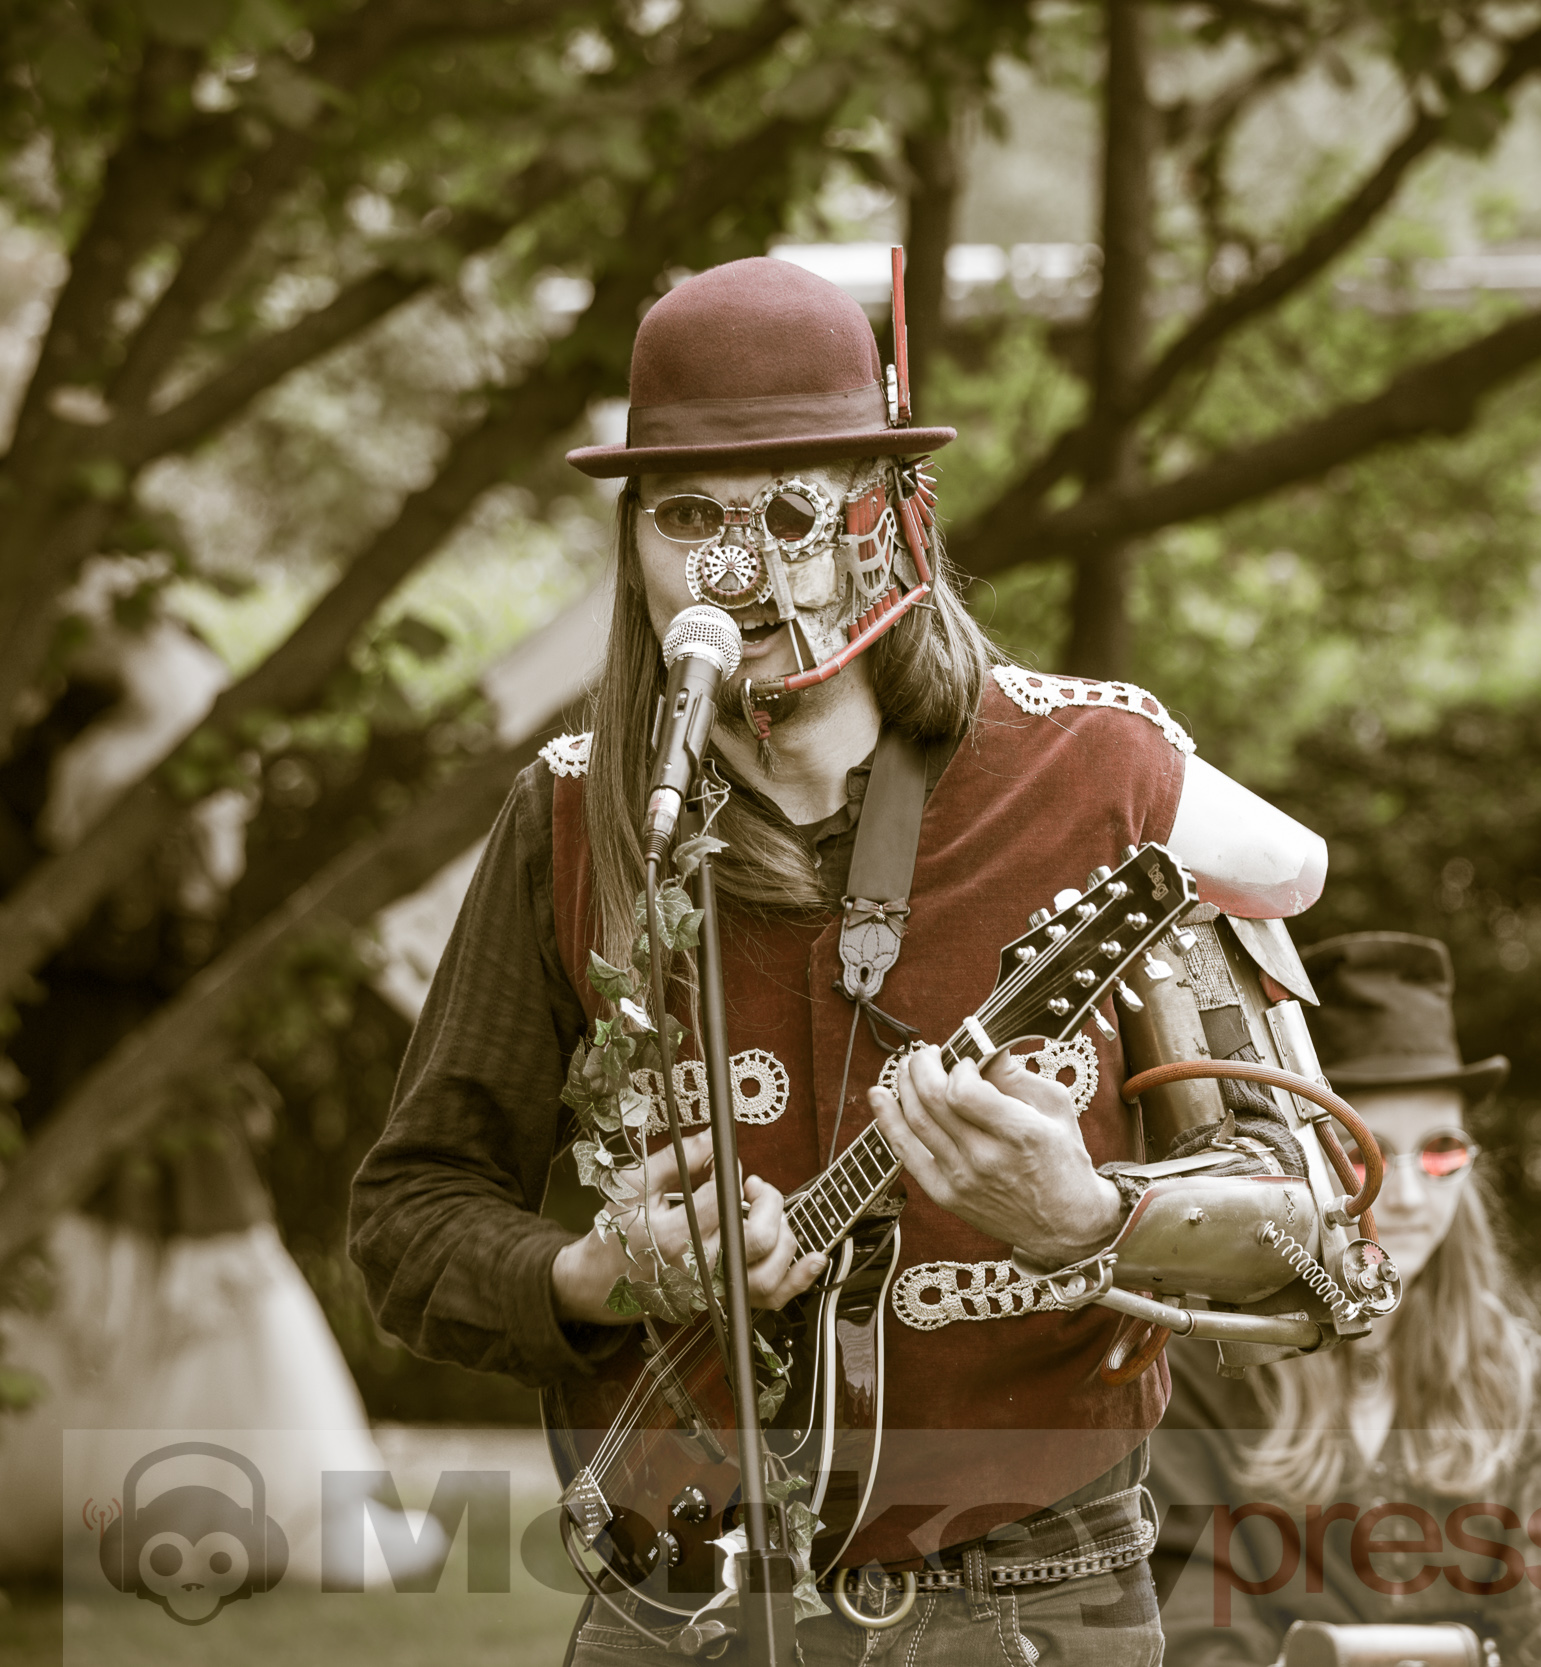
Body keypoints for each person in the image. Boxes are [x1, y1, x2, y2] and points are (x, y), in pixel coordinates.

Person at [348, 255, 1332, 1665]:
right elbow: (408, 1215)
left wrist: (1088, 1213)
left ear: (892, 516)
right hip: (669, 1598)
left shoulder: (1103, 774)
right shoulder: (568, 815)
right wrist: (598, 1271)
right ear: (632, 545)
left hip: (1031, 1602)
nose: (739, 564)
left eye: (795, 509)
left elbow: (1321, 1237)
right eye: (690, 516)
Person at [1149, 932, 1541, 1667]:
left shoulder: (1526, 1370)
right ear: (1301, 1156)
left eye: (1441, 1151)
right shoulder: (1206, 1358)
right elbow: (1198, 1628)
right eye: (1362, 1151)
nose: (1404, 1195)